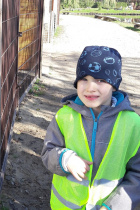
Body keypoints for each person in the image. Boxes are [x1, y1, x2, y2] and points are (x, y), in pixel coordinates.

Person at [41, 46, 140, 210]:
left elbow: (137, 175)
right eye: (84, 79)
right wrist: (65, 159)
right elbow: (48, 151)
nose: (90, 87)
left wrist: (114, 206)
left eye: (100, 80)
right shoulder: (64, 116)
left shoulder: (133, 124)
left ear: (114, 85)